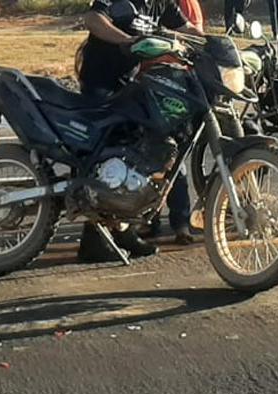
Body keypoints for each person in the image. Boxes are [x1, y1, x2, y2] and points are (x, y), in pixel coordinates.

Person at [76, 0, 205, 263]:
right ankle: (92, 238)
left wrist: (211, 45)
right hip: (101, 82)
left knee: (135, 153)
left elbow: (186, 27)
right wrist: (125, 40)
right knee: (104, 153)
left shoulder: (161, 3)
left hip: (130, 83)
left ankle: (122, 228)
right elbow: (93, 19)